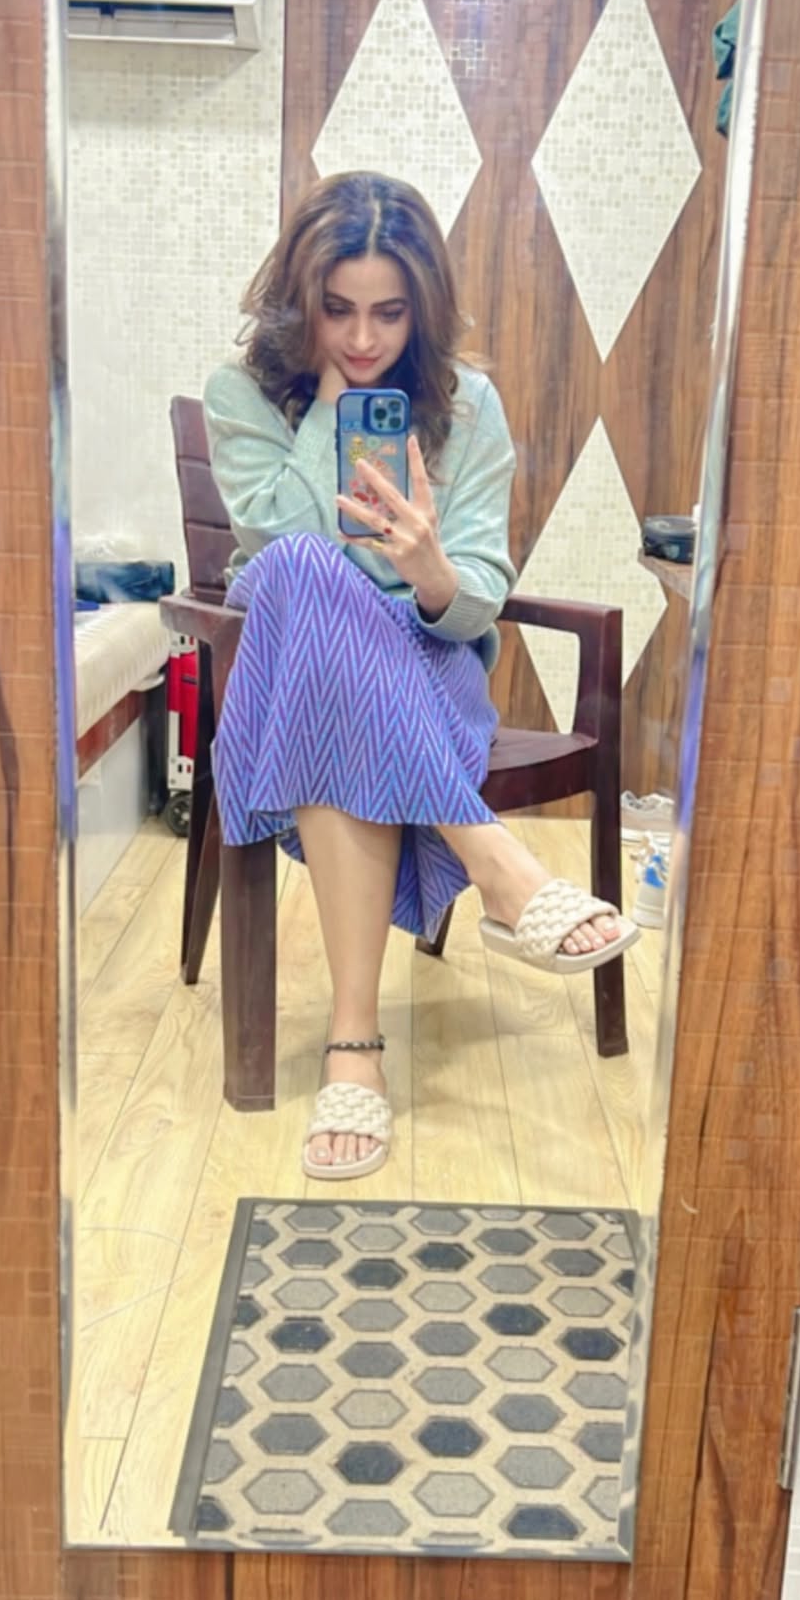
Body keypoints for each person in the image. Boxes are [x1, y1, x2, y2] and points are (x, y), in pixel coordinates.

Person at [203, 172, 637, 1183]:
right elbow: (274, 538)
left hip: (428, 670)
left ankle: (353, 1050)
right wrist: (334, 407)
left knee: (340, 700)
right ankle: (495, 862)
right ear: (298, 301)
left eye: (389, 313)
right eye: (336, 309)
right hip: (297, 673)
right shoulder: (243, 395)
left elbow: (478, 598)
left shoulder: (467, 406)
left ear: (423, 308)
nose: (363, 338)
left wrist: (432, 566)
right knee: (301, 570)